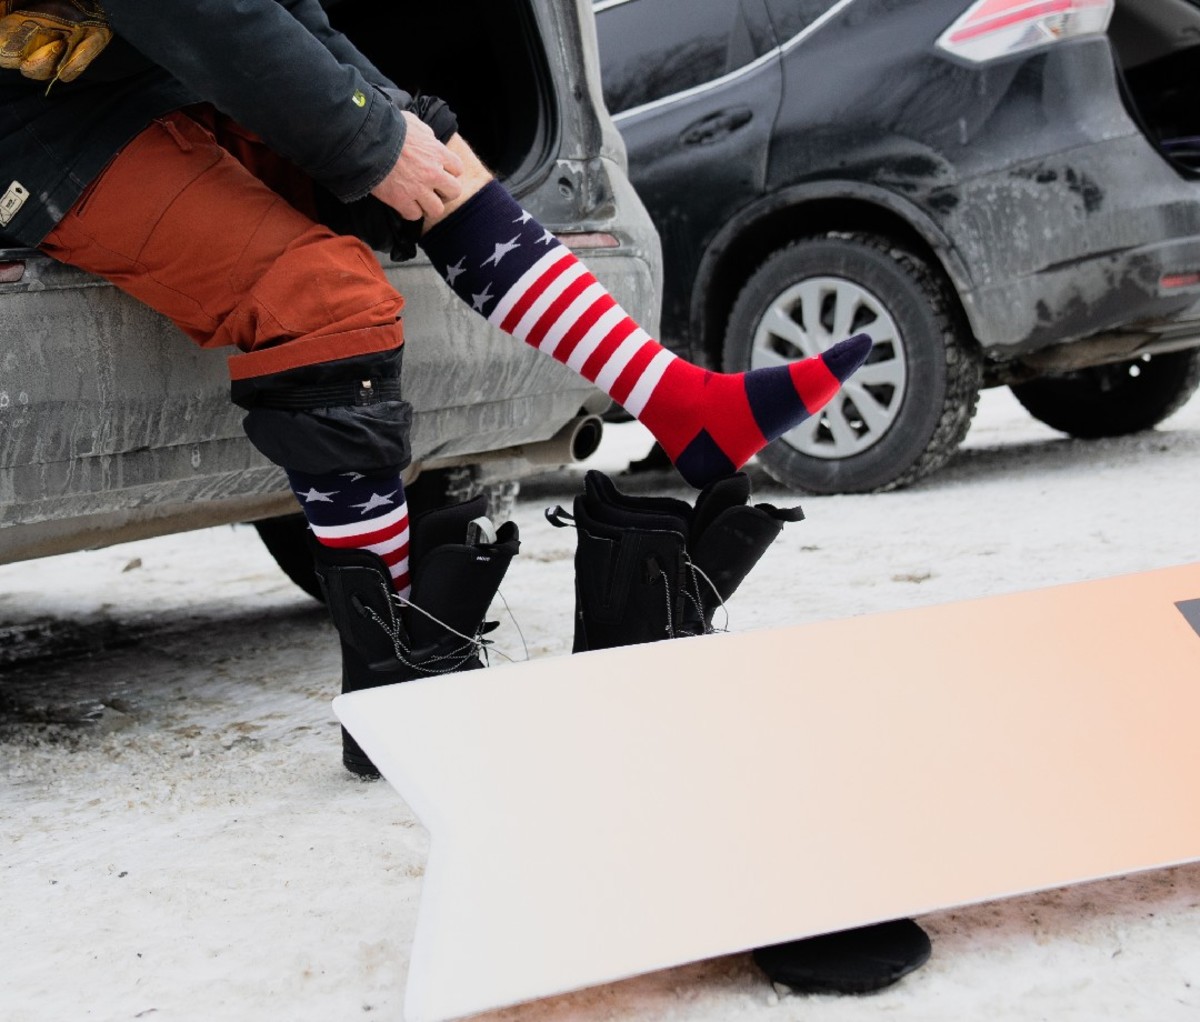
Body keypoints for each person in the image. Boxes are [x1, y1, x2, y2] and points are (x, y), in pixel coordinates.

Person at [0, 0, 928, 995]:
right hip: (37, 114)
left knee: (434, 155)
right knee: (328, 297)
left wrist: (393, 125)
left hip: (131, 77)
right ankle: (396, 688)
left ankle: (682, 400)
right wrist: (364, 136)